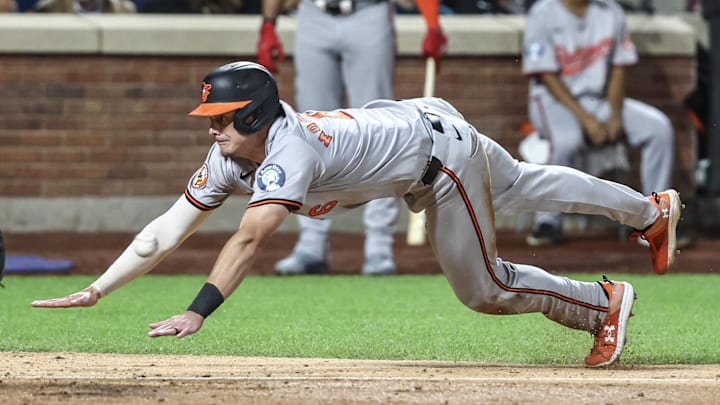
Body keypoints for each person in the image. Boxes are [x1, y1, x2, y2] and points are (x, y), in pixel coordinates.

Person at [32, 61, 683, 368]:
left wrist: (197, 309)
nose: (213, 131)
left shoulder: (285, 152)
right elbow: (166, 229)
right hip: (420, 118)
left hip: (433, 155)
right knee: (523, 181)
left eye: (222, 120)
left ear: (255, 118)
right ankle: (649, 211)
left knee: (485, 286)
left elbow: (249, 240)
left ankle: (602, 303)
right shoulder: (234, 155)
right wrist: (98, 288)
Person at [257, 0, 447, 275]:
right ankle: (312, 244)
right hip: (313, 14)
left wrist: (432, 22)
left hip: (368, 13)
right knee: (309, 131)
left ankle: (379, 246)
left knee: (379, 130)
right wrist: (268, 23)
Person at [522, 0, 675, 247]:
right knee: (566, 141)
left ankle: (656, 220)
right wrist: (588, 120)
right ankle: (547, 221)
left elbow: (618, 68)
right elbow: (546, 75)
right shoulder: (543, 12)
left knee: (658, 128)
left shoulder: (611, 11)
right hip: (553, 102)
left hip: (599, 99)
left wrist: (614, 115)